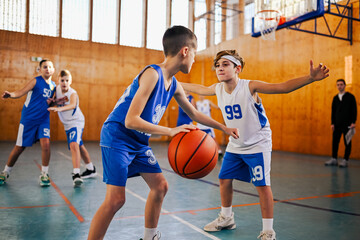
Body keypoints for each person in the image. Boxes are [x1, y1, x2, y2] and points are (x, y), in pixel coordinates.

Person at [87, 26, 239, 240]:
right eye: (194, 54)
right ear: (185, 51)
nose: (194, 60)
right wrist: (170, 131)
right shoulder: (152, 74)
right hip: (117, 137)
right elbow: (131, 120)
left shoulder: (174, 83)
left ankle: (150, 237)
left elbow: (194, 113)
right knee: (115, 200)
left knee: (160, 186)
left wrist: (222, 127)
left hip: (138, 142)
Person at [181, 50, 329, 240]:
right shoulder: (217, 88)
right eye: (217, 65)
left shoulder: (250, 87)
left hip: (258, 143)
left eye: (225, 64)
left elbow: (281, 87)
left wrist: (310, 78)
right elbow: (197, 87)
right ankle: (226, 218)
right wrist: (168, 80)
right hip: (236, 143)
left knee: (262, 185)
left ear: (238, 68)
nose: (220, 68)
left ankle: (268, 230)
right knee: (224, 179)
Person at [0, 59, 56, 186]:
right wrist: (11, 95)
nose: (48, 69)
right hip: (29, 119)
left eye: (50, 67)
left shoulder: (54, 86)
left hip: (43, 120)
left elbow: (52, 102)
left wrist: (58, 102)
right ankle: (5, 171)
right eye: (45, 67)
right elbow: (21, 92)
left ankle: (44, 174)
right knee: (20, 147)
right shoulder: (36, 81)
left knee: (46, 144)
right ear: (40, 70)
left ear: (53, 70)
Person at [48, 70, 97, 187]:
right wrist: (51, 103)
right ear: (58, 81)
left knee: (74, 144)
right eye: (62, 80)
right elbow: (51, 102)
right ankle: (91, 169)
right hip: (67, 124)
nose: (64, 83)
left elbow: (73, 105)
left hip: (76, 122)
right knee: (79, 145)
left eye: (67, 80)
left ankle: (76, 174)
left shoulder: (72, 93)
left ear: (71, 81)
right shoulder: (56, 90)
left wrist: (60, 109)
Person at [325, 79, 357, 168]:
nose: (340, 86)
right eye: (338, 85)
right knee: (335, 142)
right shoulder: (335, 98)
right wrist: (332, 123)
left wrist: (353, 122)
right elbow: (333, 111)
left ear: (345, 85)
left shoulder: (350, 97)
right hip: (337, 124)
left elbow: (354, 110)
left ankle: (345, 160)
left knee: (347, 142)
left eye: (341, 84)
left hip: (348, 124)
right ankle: (334, 159)